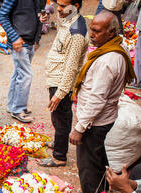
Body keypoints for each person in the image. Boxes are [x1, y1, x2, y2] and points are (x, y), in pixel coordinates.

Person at [68, 11, 136, 193]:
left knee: (88, 160)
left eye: (97, 31)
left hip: (95, 121)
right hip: (104, 117)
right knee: (96, 156)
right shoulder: (115, 48)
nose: (91, 35)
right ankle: (102, 189)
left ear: (112, 32)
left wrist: (79, 128)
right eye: (91, 30)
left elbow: (97, 99)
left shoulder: (107, 60)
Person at [37, 0, 88, 168]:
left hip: (61, 82)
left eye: (63, 5)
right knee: (59, 116)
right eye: (58, 3)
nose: (58, 8)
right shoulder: (68, 17)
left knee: (61, 117)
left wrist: (61, 92)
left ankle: (59, 156)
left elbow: (72, 66)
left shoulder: (77, 33)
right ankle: (59, 142)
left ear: (76, 5)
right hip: (56, 79)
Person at [0, 0, 46, 123]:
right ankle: (18, 109)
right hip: (19, 41)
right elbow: (2, 16)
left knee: (19, 73)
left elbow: (35, 14)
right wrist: (14, 37)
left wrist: (42, 18)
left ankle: (13, 105)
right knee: (25, 75)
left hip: (30, 40)